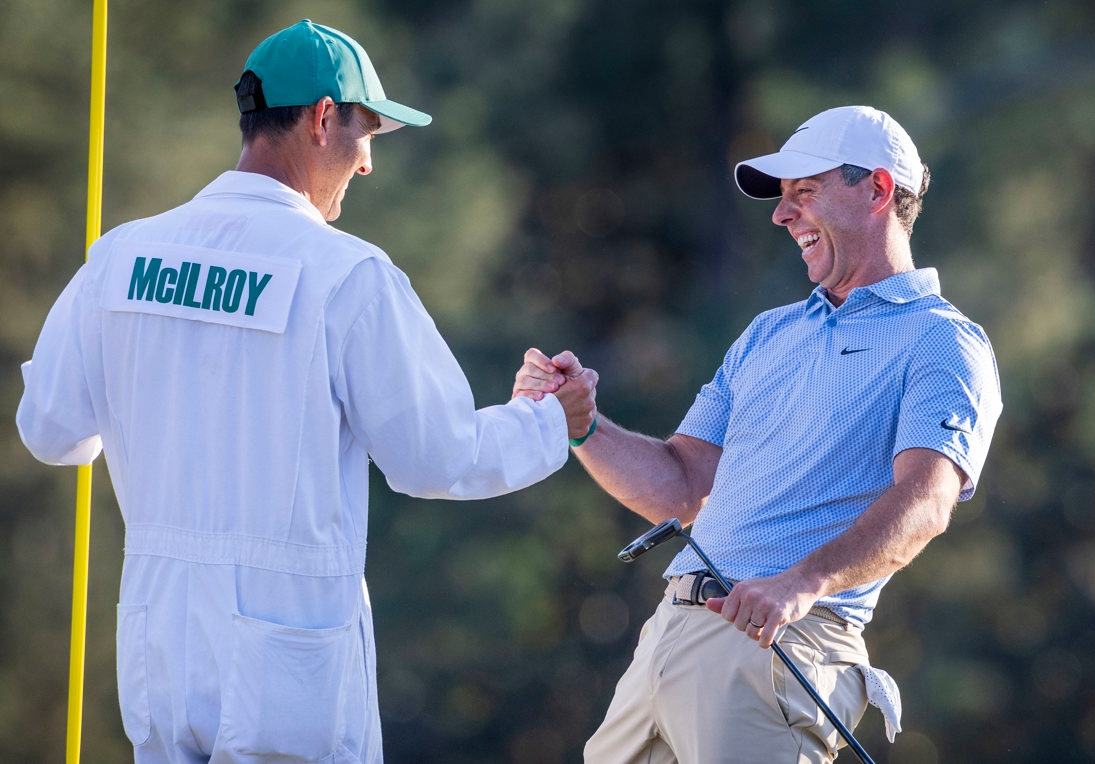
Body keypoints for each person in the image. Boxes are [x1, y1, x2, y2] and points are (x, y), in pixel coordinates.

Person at [15, 20, 596, 764]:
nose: (368, 167)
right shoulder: (346, 276)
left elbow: (51, 432)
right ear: (325, 119)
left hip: (159, 648)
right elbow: (436, 458)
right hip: (291, 664)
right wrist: (548, 420)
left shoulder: (120, 257)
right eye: (369, 136)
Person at [516, 105, 1003, 763]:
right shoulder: (768, 334)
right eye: (782, 198)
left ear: (878, 190)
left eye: (805, 192)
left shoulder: (942, 340)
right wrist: (583, 426)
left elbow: (926, 500)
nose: (782, 214)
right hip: (668, 638)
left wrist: (802, 582)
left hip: (781, 645)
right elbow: (683, 485)